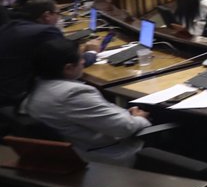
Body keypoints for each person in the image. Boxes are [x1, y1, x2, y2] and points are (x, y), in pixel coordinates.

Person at [24, 38, 151, 166]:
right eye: (81, 59)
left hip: (81, 147)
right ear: (68, 68)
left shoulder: (39, 84)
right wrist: (139, 118)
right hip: (108, 157)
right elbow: (124, 128)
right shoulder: (72, 94)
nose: (84, 61)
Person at [0, 0, 97, 108]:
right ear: (46, 15)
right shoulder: (45, 31)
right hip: (19, 93)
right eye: (58, 13)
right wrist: (91, 53)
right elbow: (66, 65)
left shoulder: (11, 26)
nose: (59, 17)